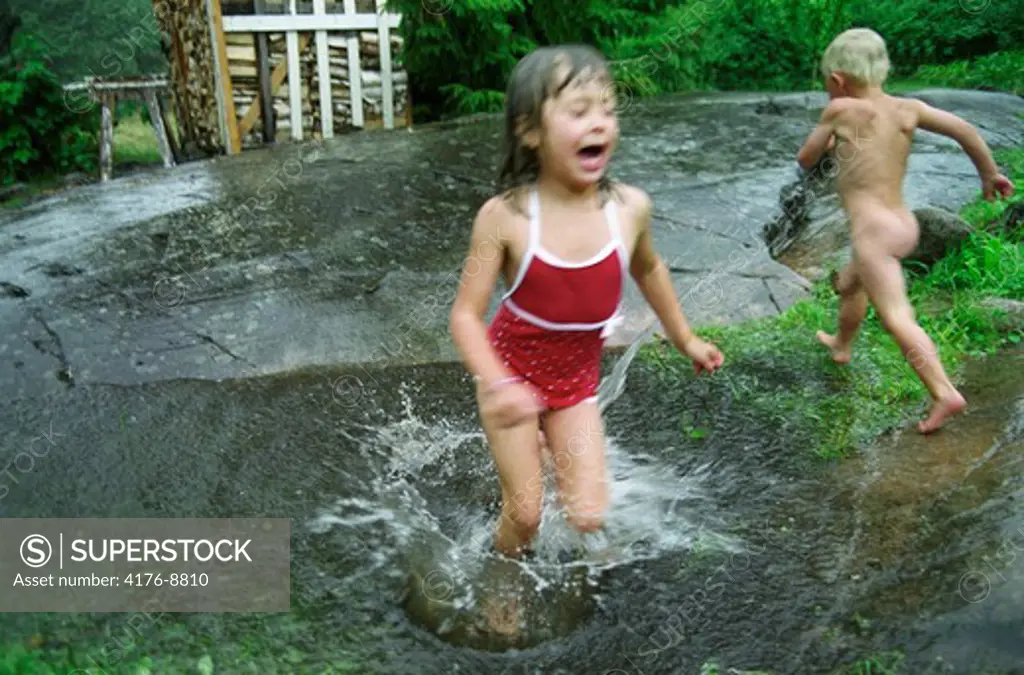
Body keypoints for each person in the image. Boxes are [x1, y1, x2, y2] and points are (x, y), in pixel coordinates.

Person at [448, 44, 724, 561]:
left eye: (608, 108)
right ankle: (500, 584)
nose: (599, 122)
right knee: (526, 515)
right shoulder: (505, 218)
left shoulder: (629, 209)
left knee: (587, 515)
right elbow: (464, 316)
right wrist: (501, 384)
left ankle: (548, 447)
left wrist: (685, 337)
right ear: (530, 132)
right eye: (579, 111)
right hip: (510, 377)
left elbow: (649, 268)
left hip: (575, 384)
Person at [797, 27, 1014, 434]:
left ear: (838, 81)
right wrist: (989, 174)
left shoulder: (839, 112)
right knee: (851, 284)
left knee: (897, 316)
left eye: (828, 83)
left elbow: (806, 158)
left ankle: (943, 391)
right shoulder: (907, 109)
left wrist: (828, 145)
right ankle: (842, 345)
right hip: (902, 223)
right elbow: (963, 130)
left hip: (873, 233)